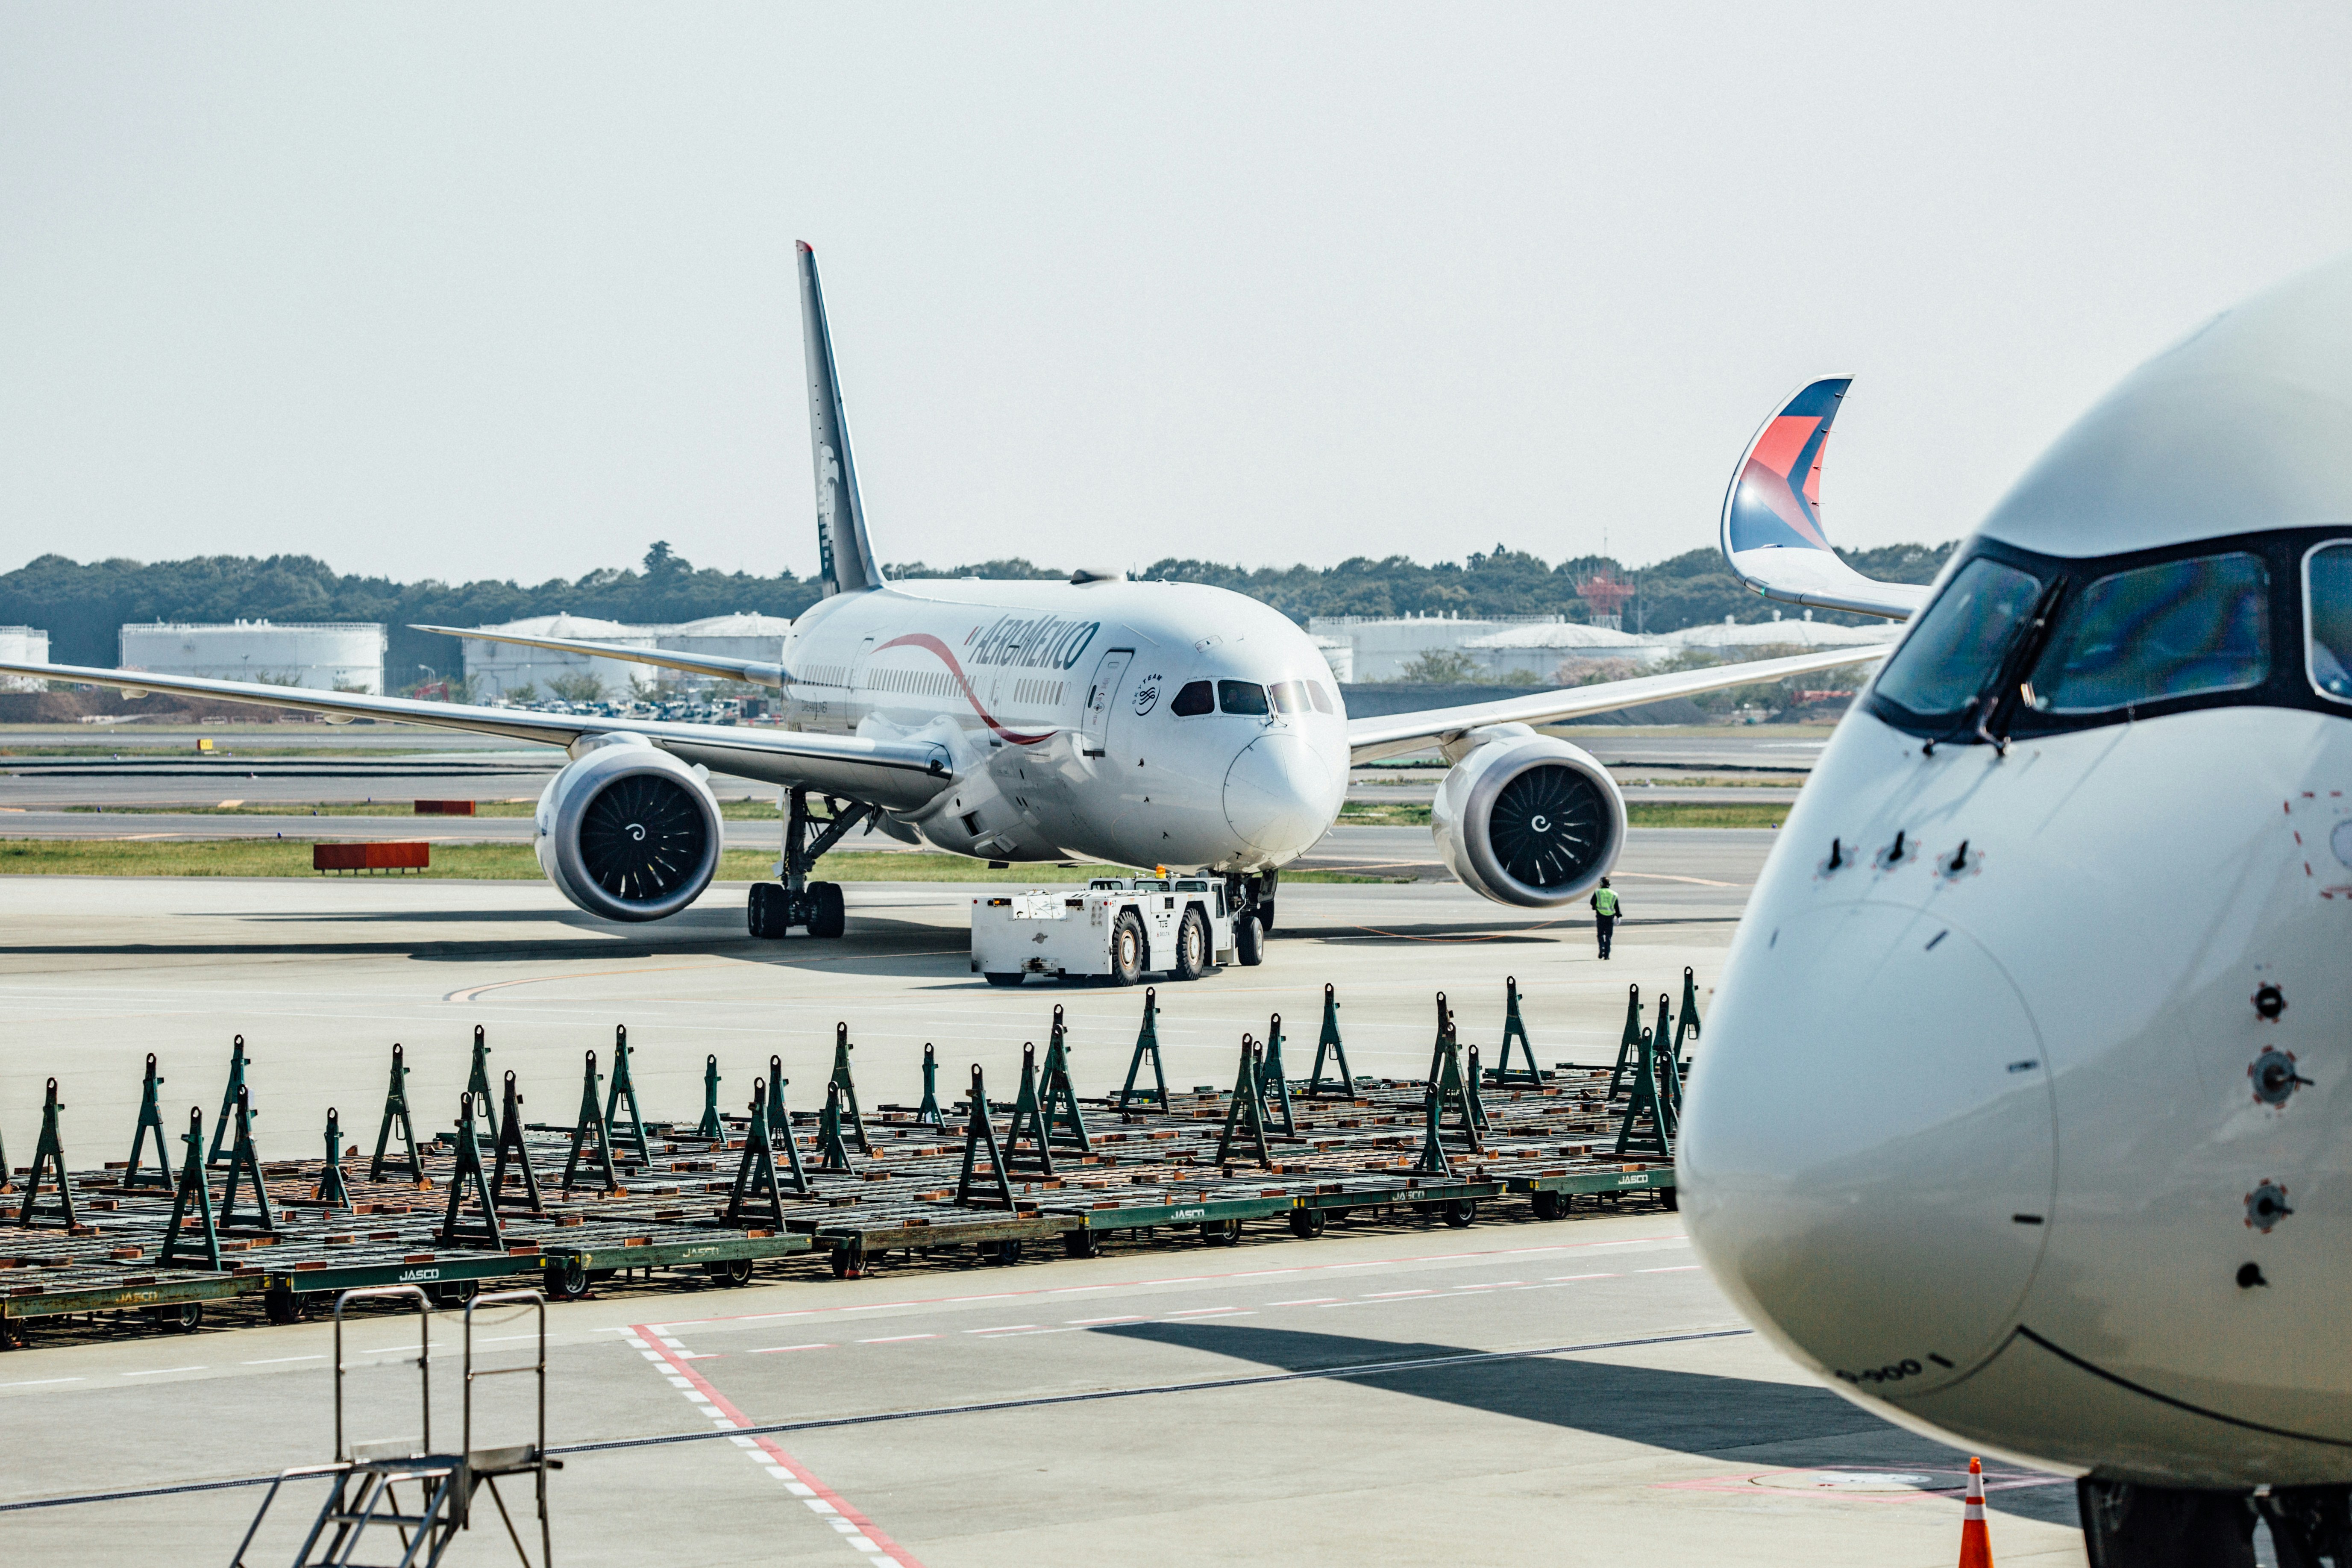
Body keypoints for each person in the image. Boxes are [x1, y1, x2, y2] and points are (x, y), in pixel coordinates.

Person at [1590, 877, 1621, 959]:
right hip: (1610, 917)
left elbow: (1592, 902)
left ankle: (1602, 948)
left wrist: (1594, 907)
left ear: (1601, 884)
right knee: (1608, 936)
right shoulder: (1614, 894)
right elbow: (1616, 906)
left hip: (1600, 916)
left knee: (1600, 934)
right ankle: (1607, 955)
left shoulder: (1598, 892)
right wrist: (1618, 916)